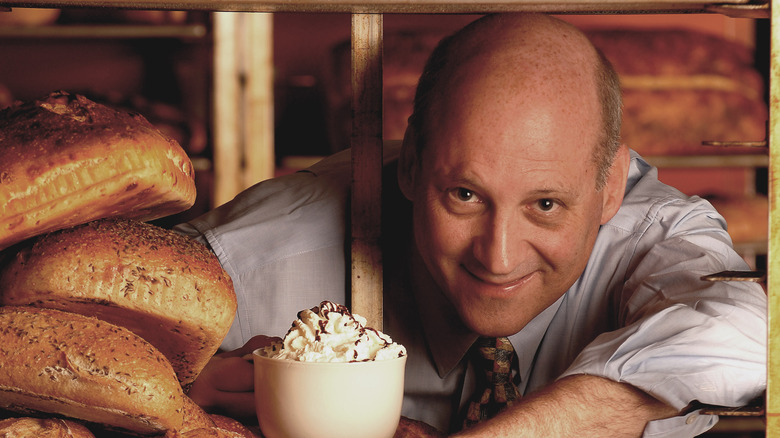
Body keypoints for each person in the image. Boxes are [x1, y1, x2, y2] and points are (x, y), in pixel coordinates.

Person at [178, 13, 767, 437]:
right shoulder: (247, 258)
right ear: (410, 164)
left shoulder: (651, 235)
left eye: (545, 206)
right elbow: (94, 339)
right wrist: (171, 392)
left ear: (610, 185)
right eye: (464, 195)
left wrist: (571, 417)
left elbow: (748, 334)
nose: (499, 257)